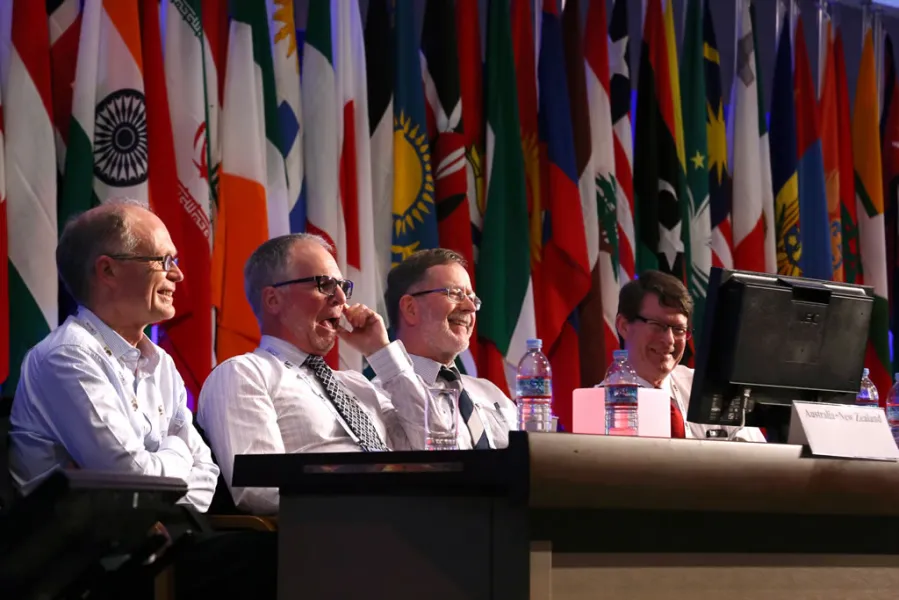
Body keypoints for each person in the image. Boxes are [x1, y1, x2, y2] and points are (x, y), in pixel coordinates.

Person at [8, 200, 276, 598]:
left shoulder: (160, 361)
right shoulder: (67, 356)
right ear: (108, 270)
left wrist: (161, 488)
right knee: (279, 558)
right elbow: (130, 476)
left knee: (292, 552)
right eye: (163, 260)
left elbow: (206, 471)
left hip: (156, 543)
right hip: (80, 566)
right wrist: (176, 449)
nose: (178, 274)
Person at [198, 233, 432, 515]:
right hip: (333, 527)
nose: (341, 299)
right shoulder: (245, 373)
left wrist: (382, 353)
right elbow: (259, 490)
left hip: (408, 516)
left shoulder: (356, 383)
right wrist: (372, 499)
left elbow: (430, 450)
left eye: (342, 286)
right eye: (324, 284)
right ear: (273, 299)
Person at [381, 248, 517, 449]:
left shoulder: (490, 393)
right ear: (411, 309)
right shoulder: (380, 395)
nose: (470, 307)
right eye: (455, 294)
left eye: (473, 298)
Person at [615, 270, 766, 442]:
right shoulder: (602, 405)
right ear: (624, 326)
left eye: (679, 329)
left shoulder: (707, 389)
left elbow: (758, 454)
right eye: (656, 325)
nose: (669, 340)